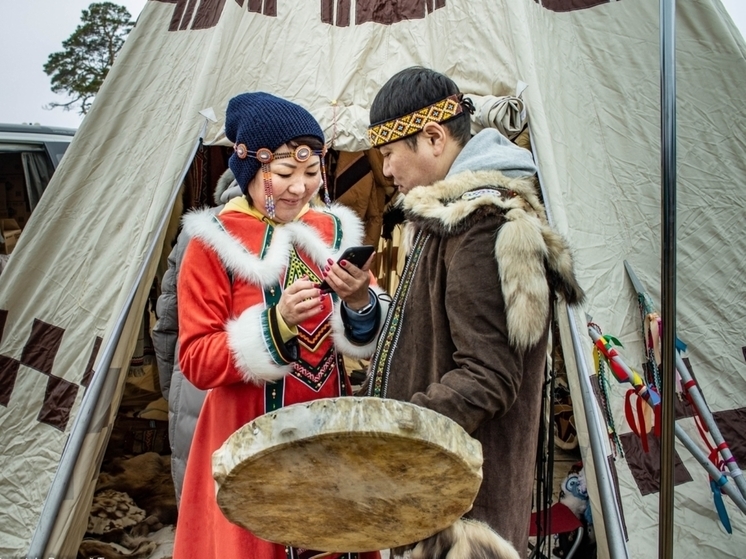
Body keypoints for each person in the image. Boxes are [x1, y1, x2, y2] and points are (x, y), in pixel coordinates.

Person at [364, 67, 585, 554]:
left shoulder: (481, 224)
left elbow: (488, 375)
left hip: (462, 517)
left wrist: (389, 428)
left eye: (389, 154)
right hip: (438, 494)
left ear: (433, 137)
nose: (386, 171)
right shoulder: (452, 217)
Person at [172, 91, 387, 559]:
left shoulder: (332, 232)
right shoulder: (214, 243)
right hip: (247, 434)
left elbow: (359, 339)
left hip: (327, 433)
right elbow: (195, 359)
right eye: (285, 174)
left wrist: (358, 301)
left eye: (311, 174)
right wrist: (276, 323)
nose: (299, 188)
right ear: (250, 169)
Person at [151, 167, 241, 507]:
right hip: (246, 387)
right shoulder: (305, 231)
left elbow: (168, 322)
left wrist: (171, 390)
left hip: (194, 386)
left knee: (200, 507)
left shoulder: (196, 231)